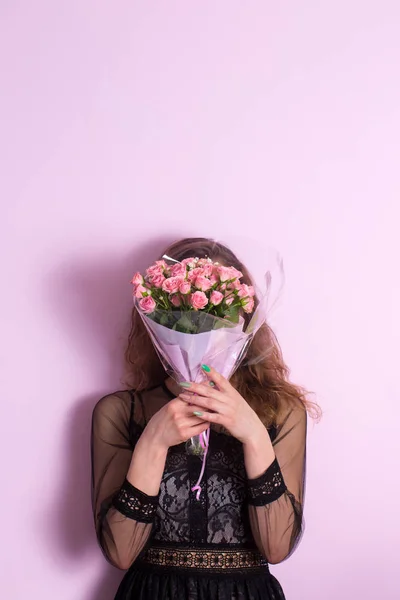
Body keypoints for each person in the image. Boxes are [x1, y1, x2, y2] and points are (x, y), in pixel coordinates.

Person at [91, 237, 320, 600]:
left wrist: (254, 436)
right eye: (182, 319)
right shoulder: (121, 412)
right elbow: (120, 553)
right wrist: (153, 440)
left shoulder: (281, 412)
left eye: (218, 320)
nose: (200, 334)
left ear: (243, 321)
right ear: (159, 320)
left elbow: (277, 549)